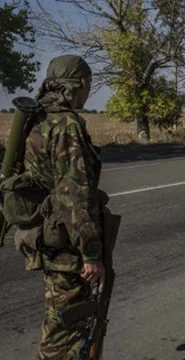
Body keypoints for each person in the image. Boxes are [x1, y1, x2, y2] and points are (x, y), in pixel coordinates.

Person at [14, 55, 107, 359]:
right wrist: (91, 253)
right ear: (80, 84)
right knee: (64, 330)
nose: (88, 91)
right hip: (66, 243)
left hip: (46, 234)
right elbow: (74, 195)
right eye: (89, 85)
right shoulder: (66, 124)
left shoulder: (37, 118)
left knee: (58, 321)